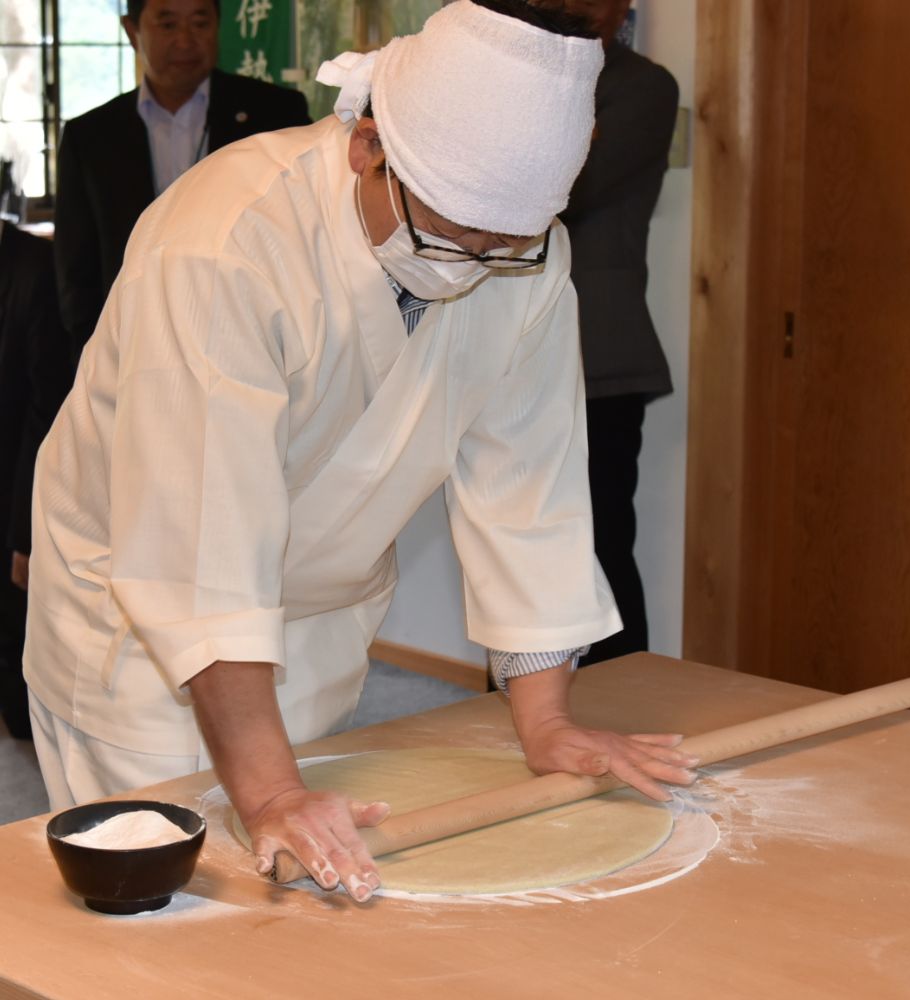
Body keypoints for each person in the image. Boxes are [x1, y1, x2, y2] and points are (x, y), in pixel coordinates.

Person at [26, 0, 698, 905]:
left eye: (503, 248)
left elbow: (527, 493)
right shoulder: (227, 245)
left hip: (314, 626)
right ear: (367, 146)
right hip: (144, 627)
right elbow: (200, 548)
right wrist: (268, 791)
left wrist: (545, 722)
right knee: (173, 927)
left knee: (308, 895)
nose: (471, 268)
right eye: (449, 236)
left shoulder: (524, 258)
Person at [54, 0, 311, 353]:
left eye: (200, 23)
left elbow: (303, 234)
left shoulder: (276, 114)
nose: (186, 40)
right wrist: (104, 358)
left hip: (251, 339)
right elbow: (76, 275)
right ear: (133, 32)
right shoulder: (91, 136)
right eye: (168, 24)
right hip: (132, 345)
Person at [560, 0, 679, 665]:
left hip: (601, 359)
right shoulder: (512, 77)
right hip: (508, 356)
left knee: (602, 544)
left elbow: (565, 190)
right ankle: (513, 715)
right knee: (510, 546)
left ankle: (626, 705)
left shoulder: (642, 86)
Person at [0, 221, 76, 739]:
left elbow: (47, 408)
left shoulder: (35, 265)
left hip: (16, 487)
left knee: (16, 631)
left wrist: (24, 534)